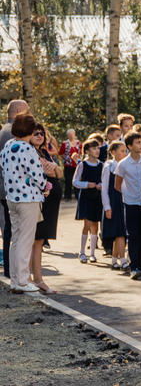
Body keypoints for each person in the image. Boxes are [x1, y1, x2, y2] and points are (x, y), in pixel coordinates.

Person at [1, 112, 47, 293]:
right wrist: (44, 185)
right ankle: (22, 280)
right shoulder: (27, 149)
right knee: (26, 240)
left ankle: (14, 279)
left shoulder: (8, 145)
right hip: (28, 199)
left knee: (16, 239)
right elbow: (38, 175)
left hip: (11, 197)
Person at [114, 131, 141, 280]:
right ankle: (134, 265)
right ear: (129, 146)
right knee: (133, 234)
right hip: (131, 203)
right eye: (137, 142)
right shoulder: (123, 164)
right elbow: (117, 184)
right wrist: (128, 194)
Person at [31, 122, 63, 294]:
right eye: (35, 133)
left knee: (41, 240)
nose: (39, 136)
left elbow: (59, 173)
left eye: (41, 133)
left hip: (51, 202)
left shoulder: (44, 152)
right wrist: (50, 172)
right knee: (34, 240)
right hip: (39, 200)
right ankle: (33, 279)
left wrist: (55, 170)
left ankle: (38, 278)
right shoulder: (29, 152)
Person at [0, 99, 30, 279]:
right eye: (27, 111)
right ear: (18, 111)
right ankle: (14, 271)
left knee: (9, 230)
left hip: (5, 188)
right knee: (13, 232)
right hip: (11, 190)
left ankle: (13, 270)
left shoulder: (4, 130)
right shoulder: (12, 134)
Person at [73, 139, 104, 264]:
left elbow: (103, 180)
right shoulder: (82, 165)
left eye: (98, 148)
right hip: (86, 196)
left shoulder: (101, 165)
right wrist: (87, 184)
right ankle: (82, 252)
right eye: (94, 148)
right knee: (87, 224)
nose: (97, 150)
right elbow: (75, 182)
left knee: (95, 225)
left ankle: (92, 254)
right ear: (87, 151)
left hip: (97, 197)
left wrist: (100, 185)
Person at [102, 141, 128, 270]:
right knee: (119, 233)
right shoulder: (109, 166)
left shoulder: (126, 165)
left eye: (125, 151)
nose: (125, 153)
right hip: (113, 201)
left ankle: (114, 259)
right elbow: (104, 188)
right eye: (122, 151)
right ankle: (123, 260)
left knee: (121, 232)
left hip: (125, 200)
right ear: (113, 152)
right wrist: (107, 206)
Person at [58, 129, 81, 201]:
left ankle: (78, 196)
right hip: (68, 165)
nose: (71, 136)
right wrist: (65, 159)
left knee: (77, 180)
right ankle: (68, 196)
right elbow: (60, 153)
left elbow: (82, 152)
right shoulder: (65, 143)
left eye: (72, 134)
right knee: (68, 180)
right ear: (67, 135)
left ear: (74, 134)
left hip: (77, 164)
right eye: (69, 134)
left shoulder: (78, 143)